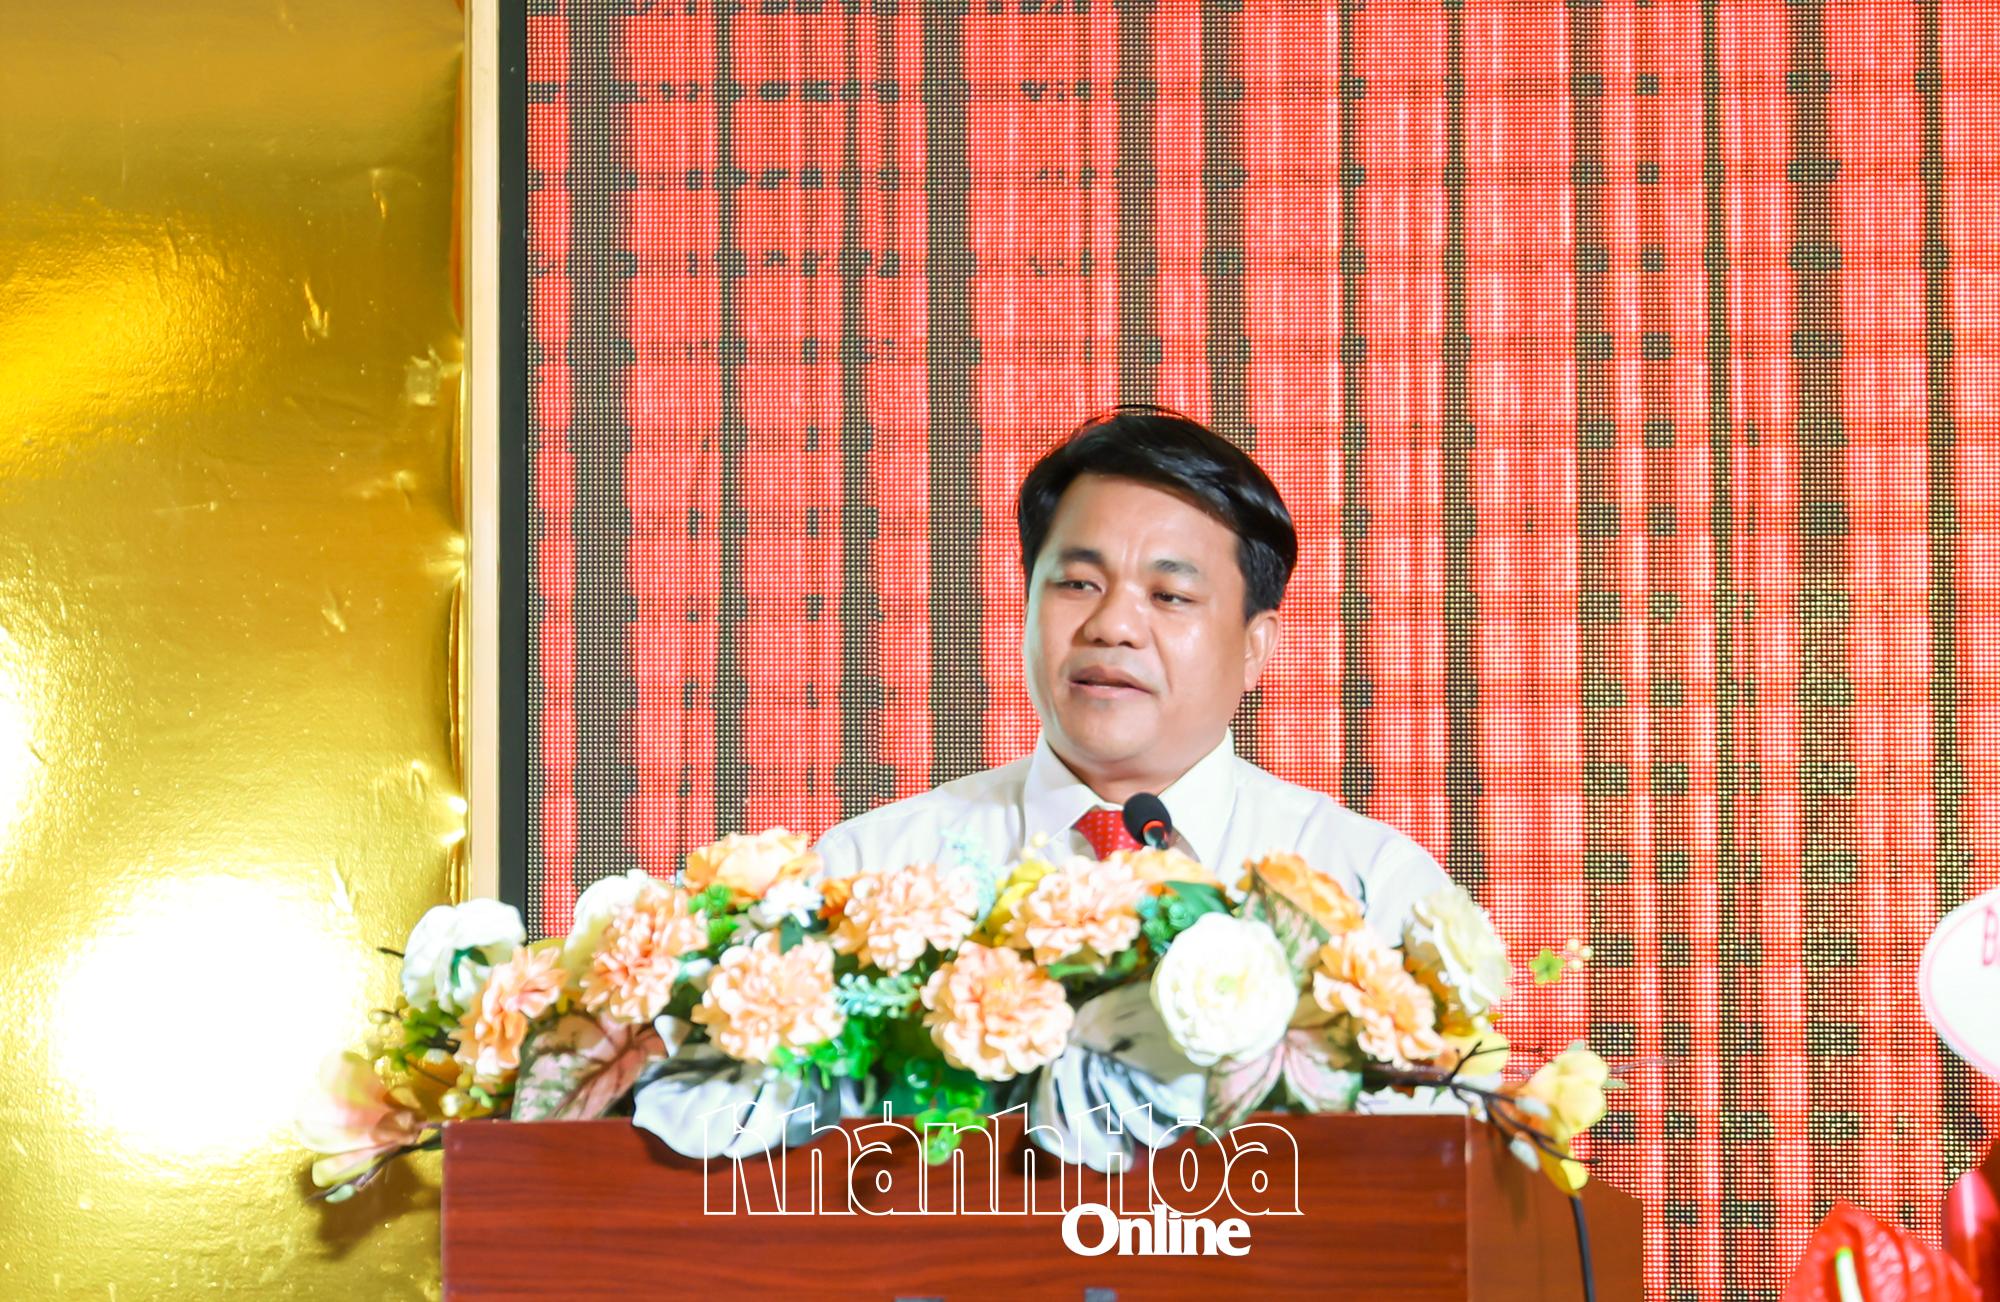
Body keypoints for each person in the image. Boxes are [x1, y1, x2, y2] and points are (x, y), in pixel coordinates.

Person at [812, 406, 1450, 933]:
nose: (1112, 625)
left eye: (1169, 595)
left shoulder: (1372, 894)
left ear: (1255, 648)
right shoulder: (868, 881)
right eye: (1077, 583)